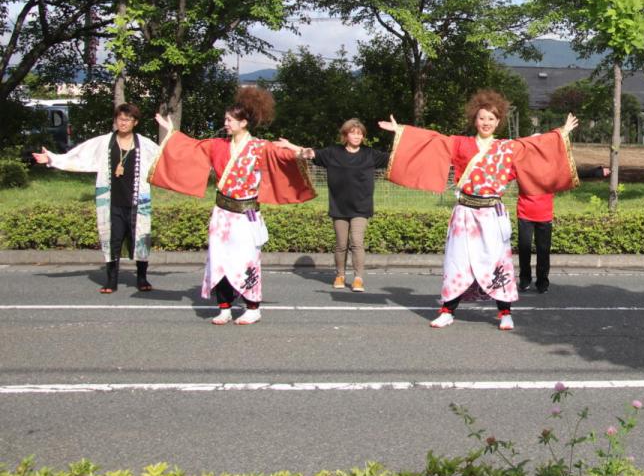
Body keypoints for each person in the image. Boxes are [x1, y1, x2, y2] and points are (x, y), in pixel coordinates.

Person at [379, 90, 578, 330]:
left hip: (491, 214)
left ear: (498, 121)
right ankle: (447, 311)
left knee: (497, 263)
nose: (486, 122)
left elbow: (536, 146)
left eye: (491, 119)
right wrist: (401, 131)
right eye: (482, 118)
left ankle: (505, 313)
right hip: (464, 214)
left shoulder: (507, 147)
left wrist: (561, 133)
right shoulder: (460, 144)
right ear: (475, 119)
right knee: (457, 262)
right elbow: (433, 140)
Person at [151, 87, 315, 325]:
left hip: (246, 213)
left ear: (243, 123)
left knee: (247, 260)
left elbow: (283, 156)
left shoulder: (259, 147)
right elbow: (192, 148)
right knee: (219, 259)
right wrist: (172, 133)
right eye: (226, 119)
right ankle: (224, 307)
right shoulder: (218, 145)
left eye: (229, 120)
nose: (225, 123)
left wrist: (301, 152)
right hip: (222, 214)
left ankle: (252, 307)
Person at [33, 103, 160, 293]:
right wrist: (53, 159)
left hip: (137, 201)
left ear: (135, 122)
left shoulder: (145, 144)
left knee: (141, 239)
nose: (123, 123)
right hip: (111, 202)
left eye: (128, 119)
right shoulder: (103, 142)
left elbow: (165, 160)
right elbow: (78, 156)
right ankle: (111, 280)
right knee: (112, 240)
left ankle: (142, 278)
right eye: (120, 119)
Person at [280, 119, 390, 292]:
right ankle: (340, 275)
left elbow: (396, 157)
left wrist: (399, 131)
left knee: (357, 242)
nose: (357, 136)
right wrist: (289, 145)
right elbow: (310, 153)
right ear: (345, 135)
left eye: (360, 133)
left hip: (361, 207)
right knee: (341, 244)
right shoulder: (333, 152)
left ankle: (358, 278)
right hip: (339, 206)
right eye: (353, 133)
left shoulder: (370, 154)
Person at [516, 165, 609, 293]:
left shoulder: (550, 166)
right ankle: (525, 280)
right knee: (524, 249)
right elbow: (502, 172)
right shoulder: (522, 163)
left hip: (544, 215)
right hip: (524, 213)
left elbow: (570, 173)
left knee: (543, 251)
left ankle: (542, 283)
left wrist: (596, 172)